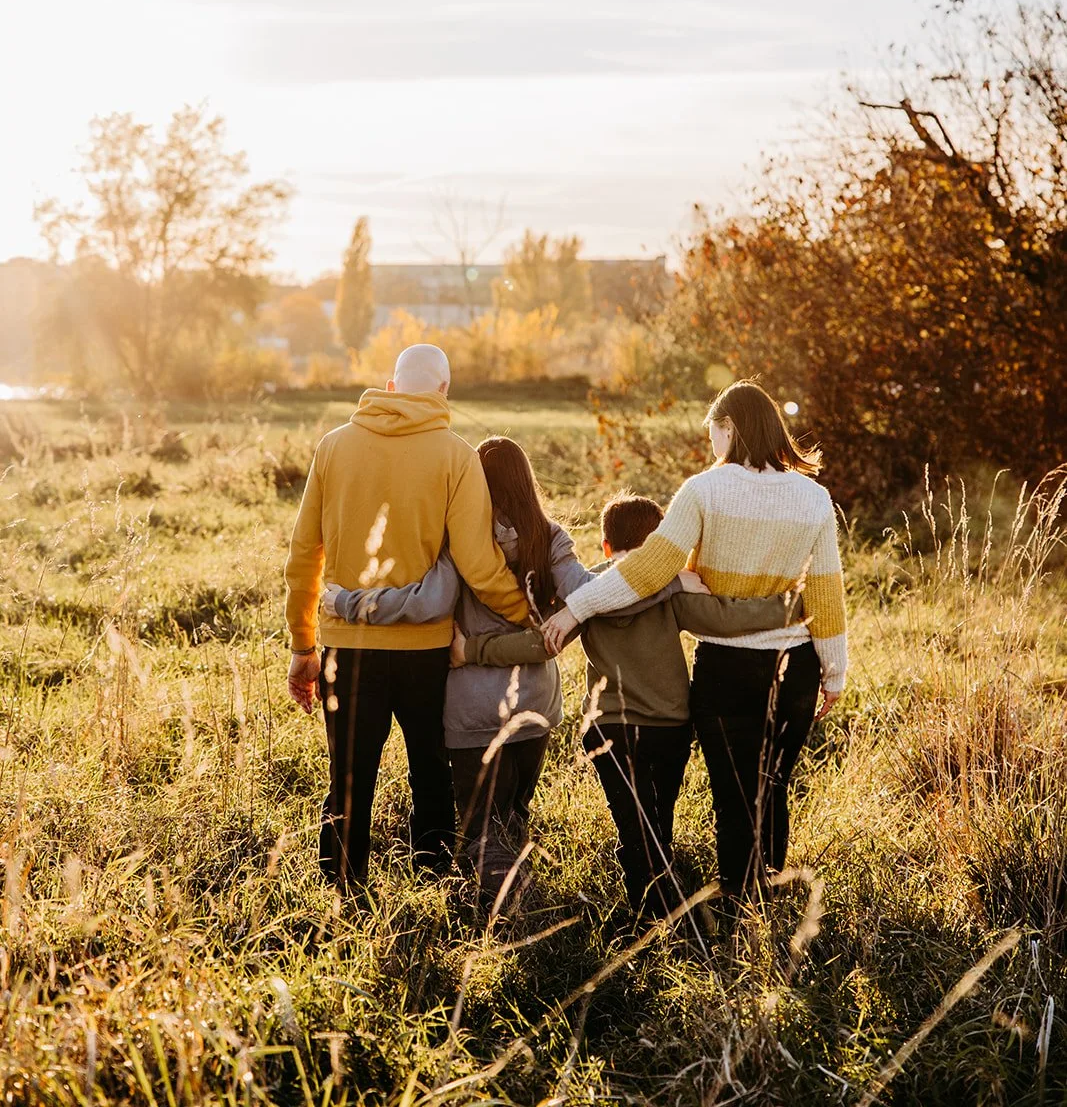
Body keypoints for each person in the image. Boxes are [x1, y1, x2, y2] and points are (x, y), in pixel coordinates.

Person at [543, 382, 846, 912]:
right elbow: (825, 587)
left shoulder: (704, 490)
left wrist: (577, 607)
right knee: (772, 784)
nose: (710, 439)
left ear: (729, 427)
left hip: (727, 665)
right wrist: (833, 670)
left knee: (733, 794)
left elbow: (646, 568)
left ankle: (739, 903)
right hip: (795, 664)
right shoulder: (813, 497)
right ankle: (766, 896)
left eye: (712, 428)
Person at [457, 491, 795, 923]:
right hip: (670, 725)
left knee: (639, 831)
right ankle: (661, 919)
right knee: (656, 825)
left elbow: (540, 643)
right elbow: (727, 618)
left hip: (611, 728)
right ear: (658, 544)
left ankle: (653, 916)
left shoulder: (586, 591)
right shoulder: (666, 585)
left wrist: (472, 649)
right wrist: (791, 603)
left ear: (604, 546)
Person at [284, 345, 529, 890]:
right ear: (443, 391)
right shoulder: (456, 455)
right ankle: (436, 886)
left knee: (347, 781)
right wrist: (527, 614)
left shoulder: (333, 446)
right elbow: (478, 564)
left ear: (390, 388)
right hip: (425, 653)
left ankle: (342, 898)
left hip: (345, 650)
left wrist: (304, 645)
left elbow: (304, 554)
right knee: (431, 776)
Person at [322, 435, 588, 906]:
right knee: (514, 817)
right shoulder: (551, 538)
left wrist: (346, 601)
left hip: (472, 715)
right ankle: (522, 914)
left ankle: (501, 927)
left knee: (483, 832)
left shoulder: (464, 540)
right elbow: (585, 596)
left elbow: (427, 602)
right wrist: (646, 569)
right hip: (537, 708)